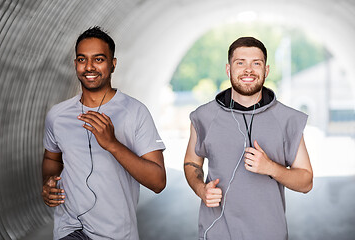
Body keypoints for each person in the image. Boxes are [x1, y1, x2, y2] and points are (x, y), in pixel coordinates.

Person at [41, 26, 166, 240]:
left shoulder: (135, 112)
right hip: (69, 229)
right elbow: (51, 157)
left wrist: (112, 144)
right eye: (82, 59)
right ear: (75, 64)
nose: (89, 67)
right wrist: (48, 182)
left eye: (98, 59)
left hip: (116, 234)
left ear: (113, 64)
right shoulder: (57, 115)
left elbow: (158, 181)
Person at [184, 37, 313, 240]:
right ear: (228, 69)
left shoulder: (288, 119)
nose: (248, 70)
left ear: (266, 70)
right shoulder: (203, 116)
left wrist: (271, 168)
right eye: (240, 63)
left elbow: (306, 181)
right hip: (216, 234)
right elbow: (191, 162)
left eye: (256, 63)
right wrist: (201, 189)